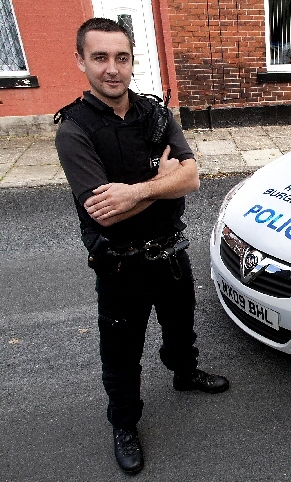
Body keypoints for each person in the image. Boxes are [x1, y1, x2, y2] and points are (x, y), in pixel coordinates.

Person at [54, 18, 229, 475]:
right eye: (100, 57)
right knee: (121, 351)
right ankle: (124, 423)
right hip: (118, 265)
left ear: (132, 62)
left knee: (180, 325)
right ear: (81, 62)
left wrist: (132, 192)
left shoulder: (156, 115)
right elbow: (102, 212)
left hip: (170, 253)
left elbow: (190, 177)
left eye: (122, 57)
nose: (112, 69)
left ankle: (185, 374)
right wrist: (157, 183)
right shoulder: (74, 131)